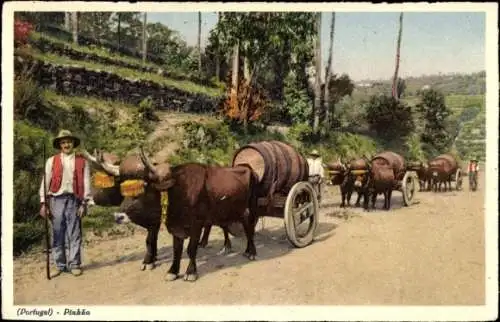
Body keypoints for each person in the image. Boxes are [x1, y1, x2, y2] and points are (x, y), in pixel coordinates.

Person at [39, 130, 93, 277]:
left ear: (73, 143)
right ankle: (60, 265)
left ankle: (75, 264)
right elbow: (46, 182)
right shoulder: (52, 160)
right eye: (63, 142)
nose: (66, 144)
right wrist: (44, 203)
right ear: (59, 145)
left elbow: (86, 183)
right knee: (57, 233)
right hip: (56, 200)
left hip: (74, 200)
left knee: (74, 234)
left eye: (69, 141)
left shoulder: (82, 161)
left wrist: (84, 203)